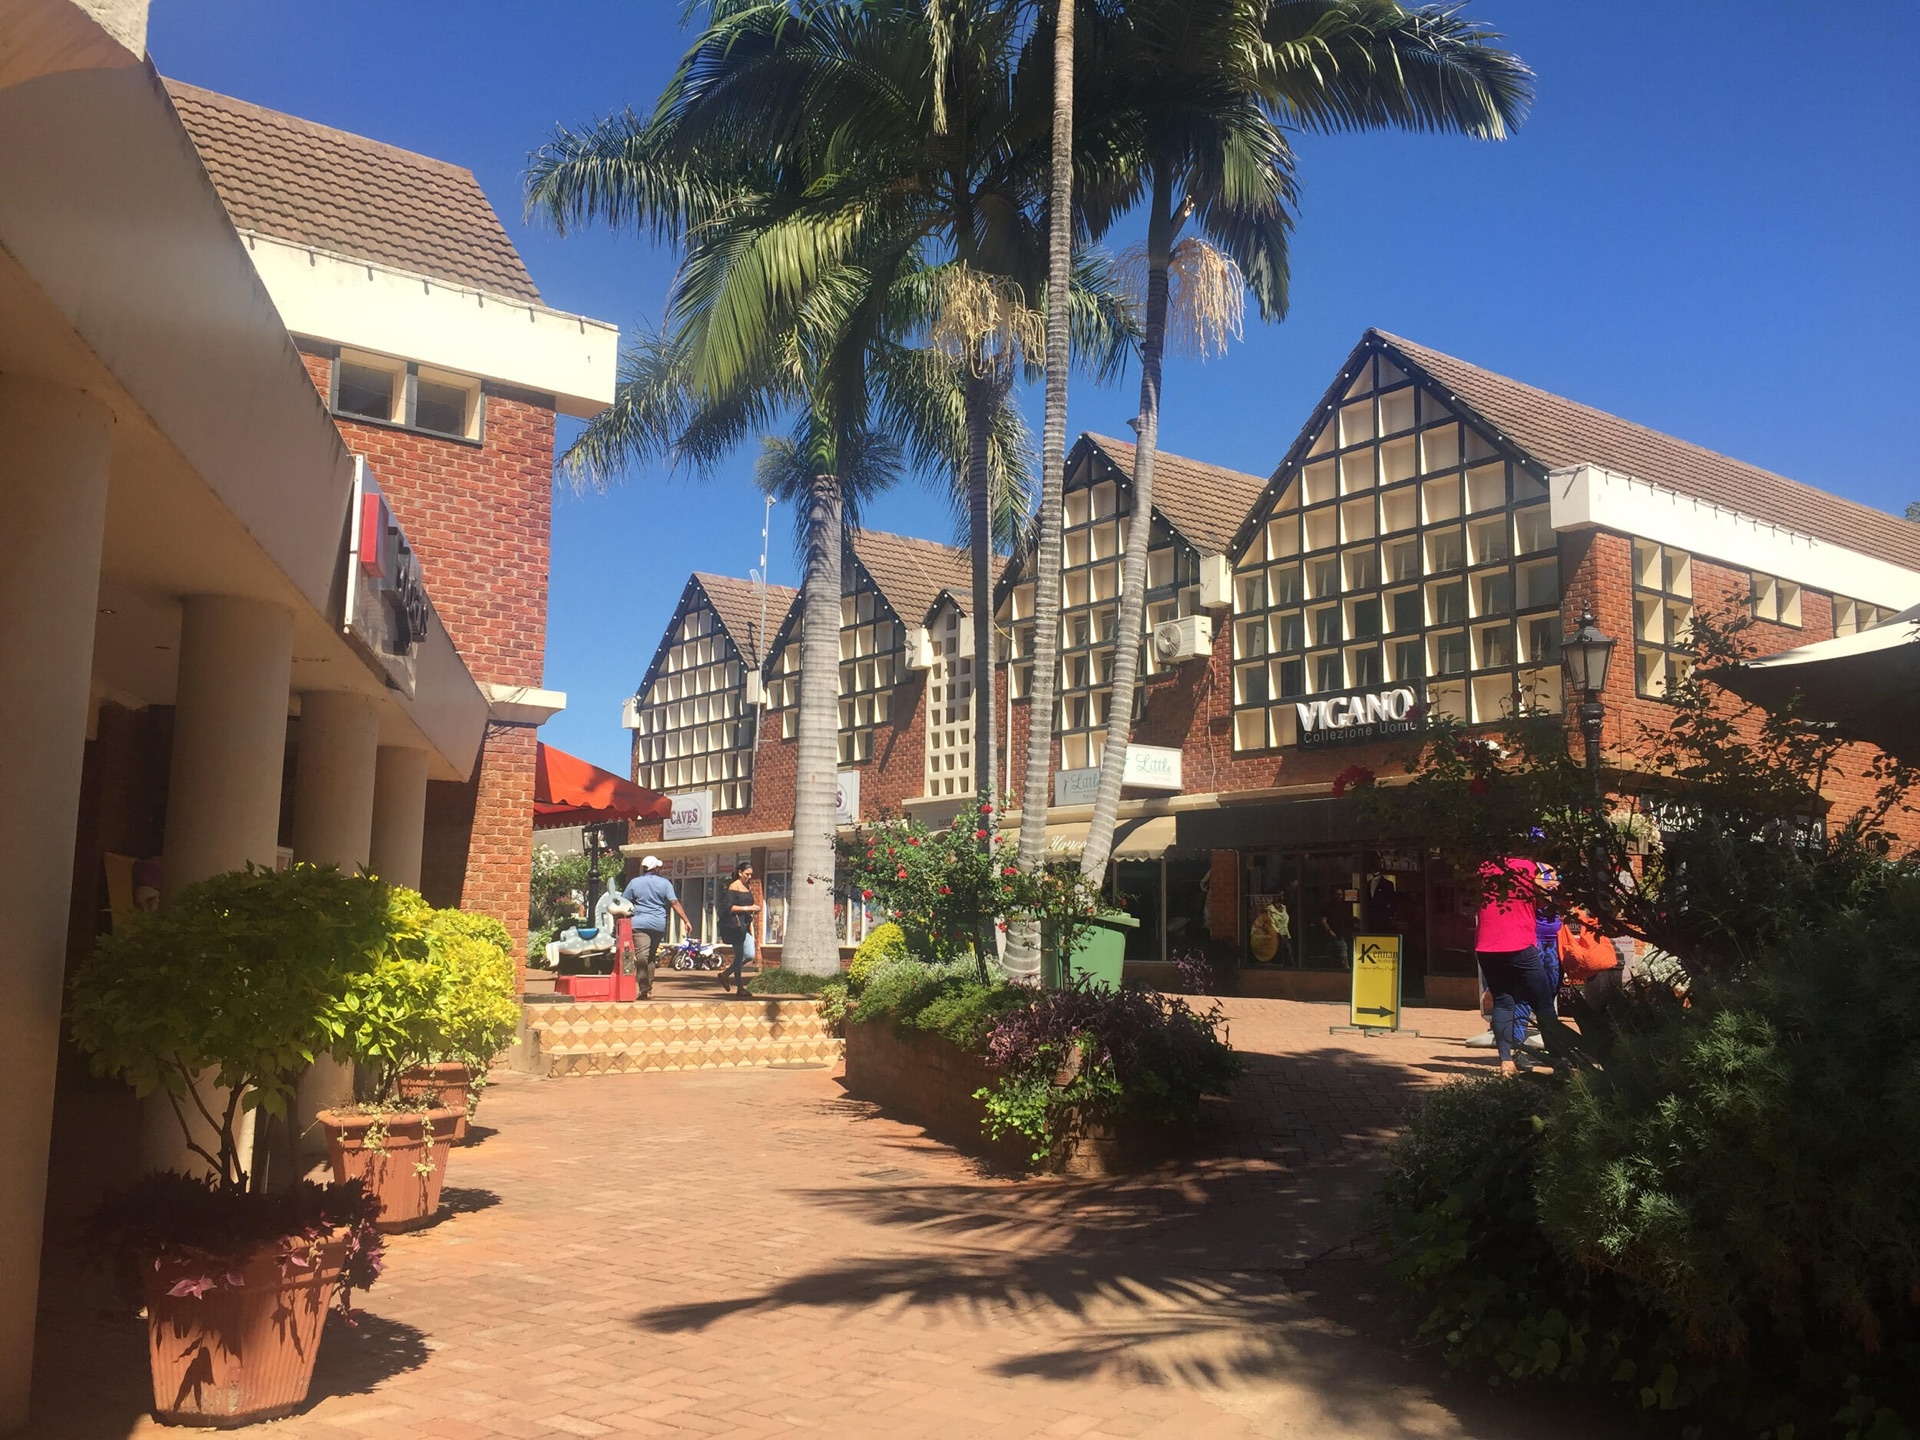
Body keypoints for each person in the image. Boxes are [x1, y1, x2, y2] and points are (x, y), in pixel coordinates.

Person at [1475, 855, 1560, 1078]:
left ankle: (1506, 1061)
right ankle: (1560, 1061)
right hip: (1520, 944)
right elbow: (1544, 901)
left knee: (1503, 1002)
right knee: (1543, 1003)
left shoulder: (1485, 866)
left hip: (1487, 946)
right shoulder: (1531, 868)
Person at [621, 856, 693, 1000]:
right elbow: (674, 903)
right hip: (658, 924)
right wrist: (686, 920)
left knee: (642, 956)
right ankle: (648, 989)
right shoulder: (665, 883)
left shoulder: (634, 882)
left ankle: (643, 988)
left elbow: (624, 902)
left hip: (639, 924)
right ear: (656, 868)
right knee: (651, 957)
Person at [1558, 907, 1623, 1009]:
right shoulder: (1596, 917)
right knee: (1614, 1010)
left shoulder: (1582, 914)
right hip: (1610, 959)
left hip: (1597, 962)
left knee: (1597, 1008)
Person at [717, 862, 761, 995]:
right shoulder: (733, 886)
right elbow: (730, 908)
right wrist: (749, 908)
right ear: (740, 873)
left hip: (745, 926)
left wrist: (753, 911)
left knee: (749, 955)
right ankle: (740, 987)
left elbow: (748, 905)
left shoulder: (747, 886)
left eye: (751, 874)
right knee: (740, 955)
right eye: (747, 874)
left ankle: (725, 974)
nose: (749, 877)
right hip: (735, 926)